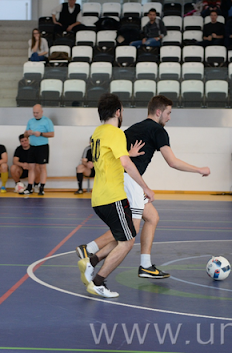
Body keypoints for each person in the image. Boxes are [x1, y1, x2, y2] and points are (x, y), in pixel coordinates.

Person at [76, 95, 210, 282]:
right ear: (158, 111)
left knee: (152, 217)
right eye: (168, 113)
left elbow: (115, 153)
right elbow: (172, 162)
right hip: (130, 182)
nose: (169, 117)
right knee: (129, 233)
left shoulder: (132, 129)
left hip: (118, 180)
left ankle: (144, 264)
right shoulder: (158, 131)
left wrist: (129, 156)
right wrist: (198, 170)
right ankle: (91, 253)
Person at [76, 93, 155, 298]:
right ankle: (98, 282)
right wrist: (145, 187)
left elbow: (112, 158)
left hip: (99, 198)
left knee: (123, 235)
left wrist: (129, 154)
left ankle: (90, 262)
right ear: (118, 112)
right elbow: (125, 164)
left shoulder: (97, 133)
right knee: (128, 242)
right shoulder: (116, 132)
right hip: (113, 197)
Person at [21, 104, 55, 196]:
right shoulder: (30, 121)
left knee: (42, 167)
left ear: (41, 112)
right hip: (32, 146)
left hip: (42, 146)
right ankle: (29, 187)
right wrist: (27, 133)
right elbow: (25, 134)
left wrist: (40, 134)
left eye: (37, 112)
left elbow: (52, 134)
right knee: (31, 167)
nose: (35, 114)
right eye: (34, 113)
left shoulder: (47, 121)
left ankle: (42, 187)